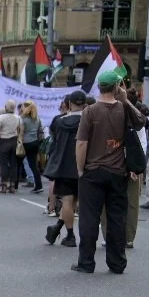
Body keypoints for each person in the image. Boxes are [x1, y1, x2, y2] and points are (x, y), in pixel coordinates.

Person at [73, 70, 144, 274]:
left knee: (89, 218)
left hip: (92, 171)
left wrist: (80, 169)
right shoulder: (123, 109)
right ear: (116, 87)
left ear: (99, 87)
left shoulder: (90, 111)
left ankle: (86, 262)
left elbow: (81, 144)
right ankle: (117, 263)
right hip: (117, 171)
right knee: (116, 218)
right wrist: (126, 100)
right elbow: (140, 122)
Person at [44, 91, 86, 248]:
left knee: (67, 201)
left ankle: (70, 235)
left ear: (69, 104)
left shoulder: (59, 122)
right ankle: (58, 227)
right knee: (75, 200)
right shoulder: (88, 120)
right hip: (83, 165)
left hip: (64, 165)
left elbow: (54, 139)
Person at [0, 100, 22, 193]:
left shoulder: (1, 117)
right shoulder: (18, 118)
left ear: (6, 107)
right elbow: (20, 130)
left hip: (4, 141)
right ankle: (12, 186)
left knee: (4, 164)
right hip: (14, 141)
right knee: (14, 164)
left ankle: (4, 186)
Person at [19, 101, 45, 192]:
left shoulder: (22, 119)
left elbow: (20, 132)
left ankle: (13, 186)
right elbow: (40, 131)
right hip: (35, 143)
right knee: (34, 165)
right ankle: (39, 185)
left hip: (25, 143)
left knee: (17, 163)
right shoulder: (37, 119)